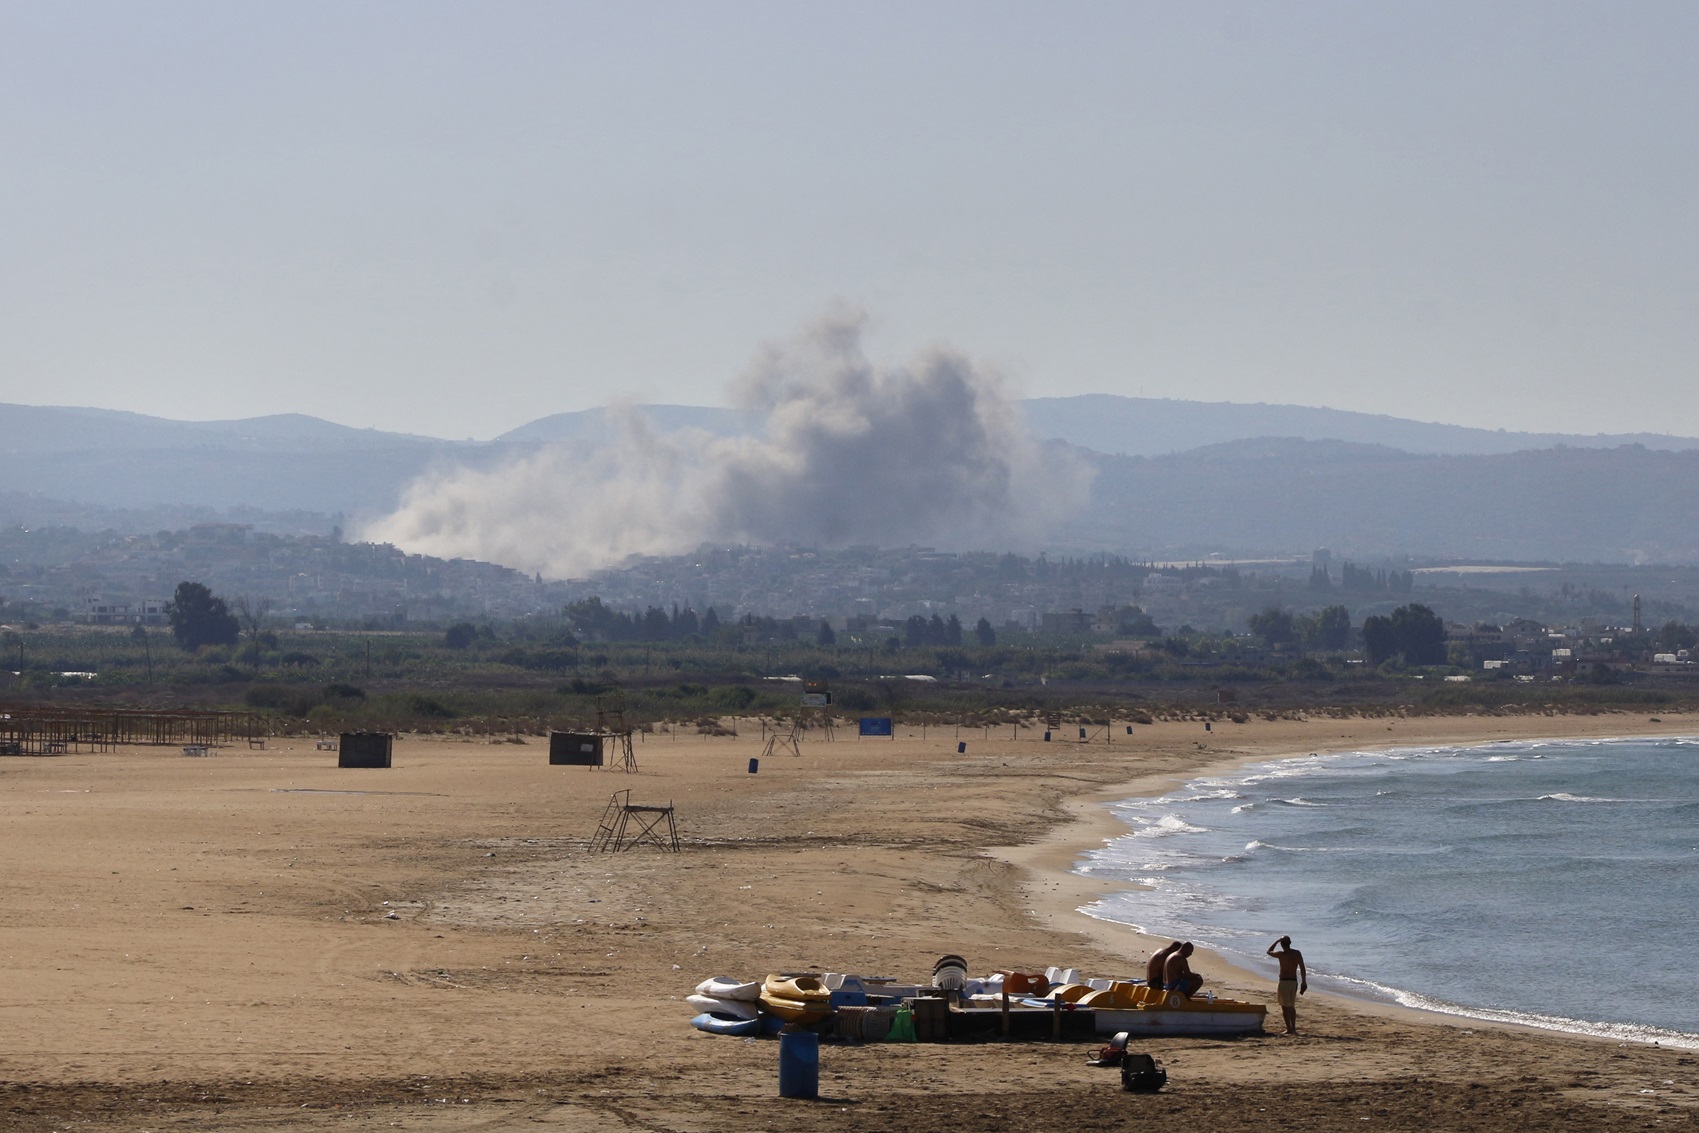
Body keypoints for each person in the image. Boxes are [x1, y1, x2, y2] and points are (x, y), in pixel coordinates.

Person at [1267, 936, 1307, 1033]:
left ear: (1282, 944)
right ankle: (1293, 1028)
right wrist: (1304, 981)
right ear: (1290, 943)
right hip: (1293, 981)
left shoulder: (1281, 954)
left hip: (1284, 981)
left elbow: (1269, 951)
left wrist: (1276, 941)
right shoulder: (1297, 953)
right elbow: (1302, 968)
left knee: (1285, 1006)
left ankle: (1289, 1029)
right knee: (1291, 1006)